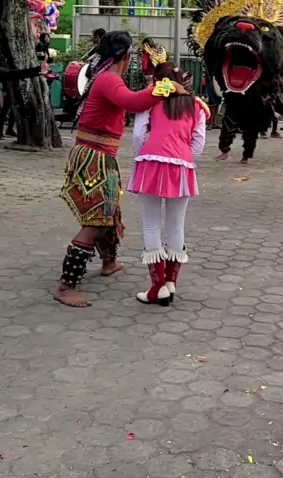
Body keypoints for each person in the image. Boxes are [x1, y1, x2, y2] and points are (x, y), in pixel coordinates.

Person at [55, 31, 188, 308]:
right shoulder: (109, 80)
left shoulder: (107, 78)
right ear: (127, 57)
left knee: (109, 214)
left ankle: (109, 262)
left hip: (101, 155)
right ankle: (66, 286)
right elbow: (133, 102)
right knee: (95, 221)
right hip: (94, 156)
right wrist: (166, 87)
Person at [128, 62, 209, 307]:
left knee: (151, 224)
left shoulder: (150, 103)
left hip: (150, 162)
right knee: (176, 225)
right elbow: (198, 144)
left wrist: (142, 157)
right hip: (182, 166)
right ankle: (171, 283)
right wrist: (181, 156)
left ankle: (158, 286)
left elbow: (138, 136)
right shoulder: (197, 106)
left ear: (156, 82)